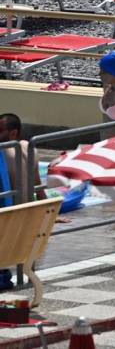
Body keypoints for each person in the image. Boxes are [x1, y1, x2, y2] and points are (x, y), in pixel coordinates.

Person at [0, 113, 29, 290]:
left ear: (12, 134)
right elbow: (37, 185)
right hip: (29, 217)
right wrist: (51, 212)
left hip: (11, 222)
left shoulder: (4, 152)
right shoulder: (28, 147)